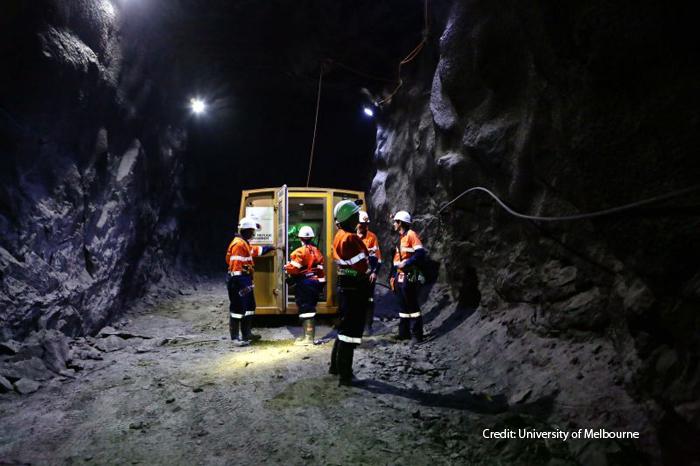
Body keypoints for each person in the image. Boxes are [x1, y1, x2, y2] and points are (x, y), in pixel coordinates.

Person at [329, 199, 370, 386]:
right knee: (350, 332)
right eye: (355, 216)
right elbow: (361, 266)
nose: (358, 219)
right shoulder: (351, 238)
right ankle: (345, 374)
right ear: (349, 218)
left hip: (346, 286)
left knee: (343, 328)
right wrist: (367, 272)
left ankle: (335, 367)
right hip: (354, 288)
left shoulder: (339, 235)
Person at [225, 217, 276, 346]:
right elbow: (236, 267)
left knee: (249, 307)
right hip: (238, 280)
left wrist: (270, 247)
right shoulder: (238, 244)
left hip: (244, 280)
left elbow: (255, 251)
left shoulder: (244, 243)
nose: (253, 234)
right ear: (246, 230)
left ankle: (247, 333)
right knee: (237, 308)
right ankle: (235, 338)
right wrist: (241, 286)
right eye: (252, 231)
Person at [283, 226, 325, 345]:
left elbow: (293, 269)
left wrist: (286, 267)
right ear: (311, 238)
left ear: (300, 238)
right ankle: (307, 336)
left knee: (306, 309)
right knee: (310, 308)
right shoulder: (317, 252)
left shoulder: (299, 252)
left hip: (304, 283)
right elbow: (321, 272)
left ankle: (308, 339)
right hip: (315, 282)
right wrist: (321, 286)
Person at [390, 210, 426, 344]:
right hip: (400, 275)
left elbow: (420, 253)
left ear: (400, 223)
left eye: (395, 222)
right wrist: (393, 276)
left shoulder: (411, 235)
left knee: (412, 306)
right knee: (403, 307)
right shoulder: (401, 238)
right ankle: (404, 333)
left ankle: (417, 335)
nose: (394, 224)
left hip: (409, 275)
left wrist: (407, 262)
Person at [356, 211, 382, 335]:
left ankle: (368, 326)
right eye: (361, 224)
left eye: (365, 224)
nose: (364, 227)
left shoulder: (372, 237)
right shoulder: (351, 236)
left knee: (369, 300)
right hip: (355, 274)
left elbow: (378, 257)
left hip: (368, 274)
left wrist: (374, 272)